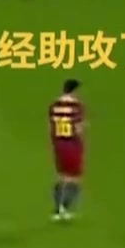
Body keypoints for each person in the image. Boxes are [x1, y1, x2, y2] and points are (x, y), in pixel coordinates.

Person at [49, 78, 85, 219]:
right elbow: (78, 127)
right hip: (71, 142)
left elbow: (51, 125)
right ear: (75, 90)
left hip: (58, 143)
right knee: (73, 178)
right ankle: (64, 208)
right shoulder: (76, 106)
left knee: (62, 176)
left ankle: (58, 208)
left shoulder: (55, 105)